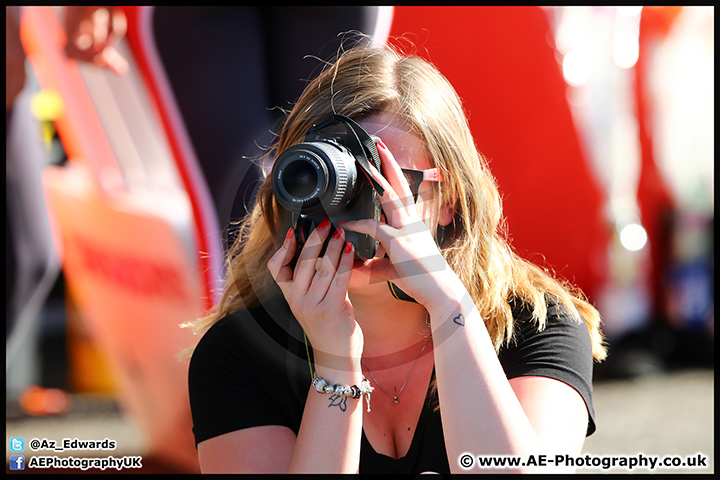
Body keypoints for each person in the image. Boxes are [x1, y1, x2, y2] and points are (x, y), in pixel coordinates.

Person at [187, 39, 607, 474]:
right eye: (328, 180)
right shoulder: (239, 353)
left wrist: (450, 309)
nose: (350, 213)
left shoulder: (535, 323)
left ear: (450, 199)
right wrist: (336, 362)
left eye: (383, 182)